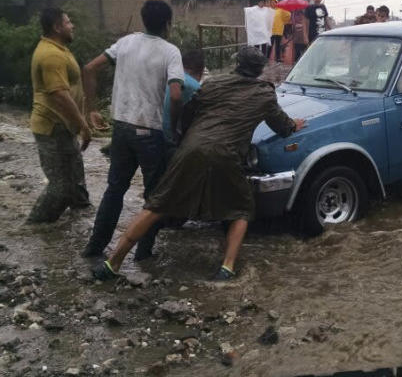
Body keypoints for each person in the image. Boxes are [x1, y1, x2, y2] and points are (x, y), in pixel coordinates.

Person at [91, 47, 307, 282]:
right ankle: (227, 267)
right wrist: (295, 124)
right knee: (242, 209)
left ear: (236, 65)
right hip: (227, 154)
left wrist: (181, 139)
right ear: (259, 71)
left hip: (191, 150)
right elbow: (283, 127)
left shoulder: (213, 84)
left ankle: (112, 264)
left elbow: (188, 113)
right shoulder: (264, 94)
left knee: (156, 206)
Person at [80, 0, 186, 260]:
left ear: (144, 20)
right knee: (154, 197)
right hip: (150, 131)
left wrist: (91, 109)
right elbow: (175, 94)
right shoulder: (170, 51)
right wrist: (172, 129)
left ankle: (95, 248)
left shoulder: (125, 43)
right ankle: (143, 253)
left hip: (121, 128)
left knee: (115, 189)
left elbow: (89, 68)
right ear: (167, 24)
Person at [27, 8, 92, 223]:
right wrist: (83, 125)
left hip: (64, 127)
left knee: (76, 185)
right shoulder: (51, 55)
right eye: (68, 22)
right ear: (57, 27)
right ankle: (33, 229)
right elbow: (60, 95)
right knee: (60, 189)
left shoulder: (59, 49)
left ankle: (83, 230)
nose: (72, 25)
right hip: (52, 128)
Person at [269, 0, 292, 64]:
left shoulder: (280, 9)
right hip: (271, 31)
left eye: (274, 2)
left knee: (278, 45)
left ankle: (278, 58)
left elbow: (288, 14)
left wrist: (284, 21)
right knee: (270, 44)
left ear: (276, 3)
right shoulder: (268, 10)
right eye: (271, 2)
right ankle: (267, 57)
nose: (272, 4)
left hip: (279, 30)